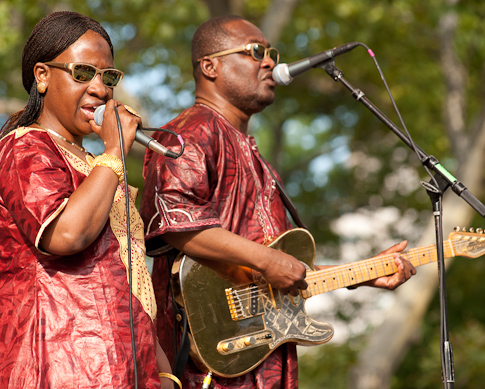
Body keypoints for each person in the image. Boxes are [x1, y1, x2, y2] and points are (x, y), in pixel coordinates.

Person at [140, 15, 416, 389]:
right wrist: (268, 260)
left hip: (264, 359)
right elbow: (176, 224)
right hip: (210, 367)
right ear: (210, 67)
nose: (269, 61)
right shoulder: (190, 135)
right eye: (255, 52)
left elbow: (274, 273)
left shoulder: (257, 158)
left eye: (271, 52)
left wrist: (362, 275)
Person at [0, 11, 177, 389]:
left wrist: (160, 370)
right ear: (42, 76)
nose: (100, 88)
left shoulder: (100, 166)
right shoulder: (25, 147)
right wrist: (114, 148)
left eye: (108, 77)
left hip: (127, 370)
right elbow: (65, 237)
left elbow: (131, 280)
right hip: (58, 367)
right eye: (82, 73)